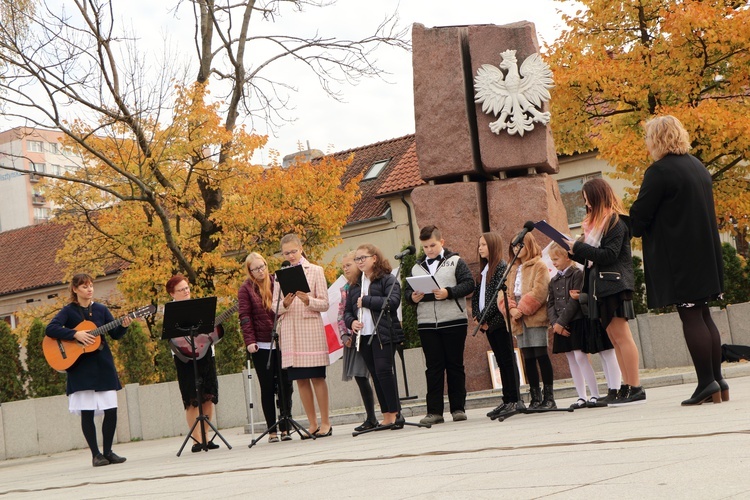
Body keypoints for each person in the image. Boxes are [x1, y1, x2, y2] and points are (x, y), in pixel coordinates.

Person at [630, 115, 725, 406]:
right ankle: (717, 380)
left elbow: (639, 217)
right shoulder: (697, 166)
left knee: (691, 316)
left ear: (657, 139)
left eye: (648, 138)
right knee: (704, 314)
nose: (646, 143)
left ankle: (706, 383)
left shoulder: (659, 172)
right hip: (705, 251)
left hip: (681, 256)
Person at [569, 177, 645, 405]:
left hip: (615, 284)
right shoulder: (598, 225)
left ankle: (636, 386)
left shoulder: (615, 222)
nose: (587, 205)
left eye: (588, 200)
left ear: (597, 197)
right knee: (614, 337)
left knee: (622, 337)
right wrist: (572, 251)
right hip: (602, 285)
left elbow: (608, 255)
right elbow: (594, 257)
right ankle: (625, 386)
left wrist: (579, 247)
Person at [45, 273, 131, 467]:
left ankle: (108, 451)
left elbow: (115, 334)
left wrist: (124, 326)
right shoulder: (68, 311)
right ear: (75, 290)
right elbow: (51, 329)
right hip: (81, 368)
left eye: (91, 285)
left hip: (103, 365)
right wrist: (75, 334)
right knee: (87, 412)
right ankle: (96, 454)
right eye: (84, 286)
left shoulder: (101, 309)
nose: (89, 289)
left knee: (111, 409)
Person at [404, 225, 475, 425]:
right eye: (425, 247)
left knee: (454, 365)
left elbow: (469, 284)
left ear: (441, 242)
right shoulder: (416, 267)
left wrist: (448, 293)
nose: (429, 250)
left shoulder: (455, 262)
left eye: (432, 245)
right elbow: (406, 295)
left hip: (453, 320)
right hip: (426, 323)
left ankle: (458, 408)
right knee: (433, 367)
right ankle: (434, 412)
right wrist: (413, 297)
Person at [274, 234, 332, 438]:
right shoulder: (279, 276)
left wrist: (308, 300)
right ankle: (312, 423)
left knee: (317, 376)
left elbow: (325, 303)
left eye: (293, 251)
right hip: (291, 332)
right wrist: (285, 304)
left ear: (301, 248)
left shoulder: (316, 271)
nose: (290, 256)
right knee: (300, 380)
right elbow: (274, 307)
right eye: (286, 253)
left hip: (310, 330)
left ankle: (326, 421)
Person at [344, 243, 404, 428]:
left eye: (363, 258)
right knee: (376, 375)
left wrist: (367, 301)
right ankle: (386, 415)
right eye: (357, 259)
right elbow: (347, 311)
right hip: (364, 336)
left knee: (384, 371)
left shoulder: (387, 279)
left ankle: (395, 414)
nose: (360, 262)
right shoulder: (355, 284)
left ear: (374, 258)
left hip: (383, 334)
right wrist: (351, 322)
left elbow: (392, 302)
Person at [239, 252, 294, 442]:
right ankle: (272, 430)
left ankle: (286, 426)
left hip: (282, 340)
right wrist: (250, 341)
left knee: (286, 384)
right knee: (268, 387)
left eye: (262, 266)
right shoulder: (246, 289)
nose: (260, 271)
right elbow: (245, 317)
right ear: (250, 271)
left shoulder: (276, 281)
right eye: (255, 269)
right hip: (261, 344)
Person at [499, 232, 555, 410]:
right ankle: (535, 396)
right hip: (517, 320)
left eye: (521, 244)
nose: (517, 248)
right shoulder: (511, 268)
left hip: (534, 317)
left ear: (529, 244)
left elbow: (540, 290)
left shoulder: (539, 265)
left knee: (540, 353)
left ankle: (549, 397)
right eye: (514, 245)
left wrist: (521, 309)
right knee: (528, 357)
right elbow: (503, 293)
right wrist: (511, 309)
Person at [166, 274, 221, 452]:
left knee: (208, 395)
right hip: (185, 357)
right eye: (181, 290)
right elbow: (171, 337)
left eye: (187, 288)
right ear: (172, 294)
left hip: (205, 353)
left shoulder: (200, 308)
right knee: (192, 399)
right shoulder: (172, 311)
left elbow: (210, 331)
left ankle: (206, 436)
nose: (186, 291)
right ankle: (196, 439)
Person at [547, 243, 605, 408]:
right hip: (560, 324)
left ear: (567, 257)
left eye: (556, 259)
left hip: (576, 321)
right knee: (571, 359)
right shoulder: (554, 280)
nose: (553, 262)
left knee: (580, 356)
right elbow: (550, 304)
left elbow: (574, 302)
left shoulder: (577, 274)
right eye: (551, 259)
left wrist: (560, 322)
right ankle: (581, 396)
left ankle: (595, 394)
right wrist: (555, 323)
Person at [471, 232, 523, 419]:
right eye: (479, 245)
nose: (480, 248)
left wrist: (485, 318)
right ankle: (506, 398)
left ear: (492, 246)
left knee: (508, 360)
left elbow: (497, 298)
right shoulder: (483, 271)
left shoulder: (501, 268)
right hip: (487, 324)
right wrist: (477, 316)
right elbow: (478, 297)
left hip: (498, 322)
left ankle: (515, 399)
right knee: (501, 361)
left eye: (484, 244)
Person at [337, 251, 378, 431]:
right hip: (353, 338)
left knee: (378, 375)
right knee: (361, 378)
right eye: (343, 267)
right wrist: (344, 334)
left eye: (348, 265)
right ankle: (371, 416)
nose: (345, 269)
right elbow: (341, 314)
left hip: (369, 334)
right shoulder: (346, 288)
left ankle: (389, 412)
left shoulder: (366, 283)